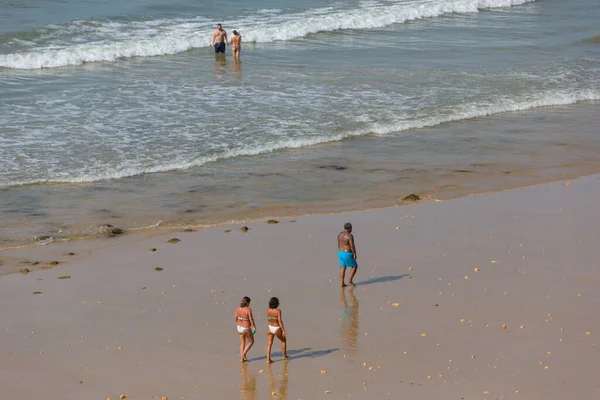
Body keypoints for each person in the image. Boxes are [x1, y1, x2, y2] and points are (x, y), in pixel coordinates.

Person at [266, 297, 289, 363]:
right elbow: (280, 321)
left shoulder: (268, 310)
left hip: (270, 327)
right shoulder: (278, 311)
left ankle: (268, 359)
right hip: (276, 328)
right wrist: (283, 330)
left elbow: (269, 318)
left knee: (269, 344)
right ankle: (284, 356)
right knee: (283, 340)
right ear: (277, 303)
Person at [235, 296, 256, 362]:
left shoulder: (238, 308)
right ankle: (243, 355)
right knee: (251, 341)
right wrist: (254, 326)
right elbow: (251, 319)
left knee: (242, 343)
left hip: (239, 327)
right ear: (247, 303)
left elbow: (235, 317)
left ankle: (242, 359)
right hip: (245, 327)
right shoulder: (248, 309)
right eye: (249, 302)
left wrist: (238, 322)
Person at [338, 222, 357, 287]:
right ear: (350, 228)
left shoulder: (340, 234)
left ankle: (341, 283)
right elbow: (352, 246)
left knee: (342, 267)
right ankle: (349, 280)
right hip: (347, 253)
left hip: (340, 253)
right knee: (354, 266)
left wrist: (340, 251)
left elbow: (339, 244)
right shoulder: (349, 236)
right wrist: (354, 253)